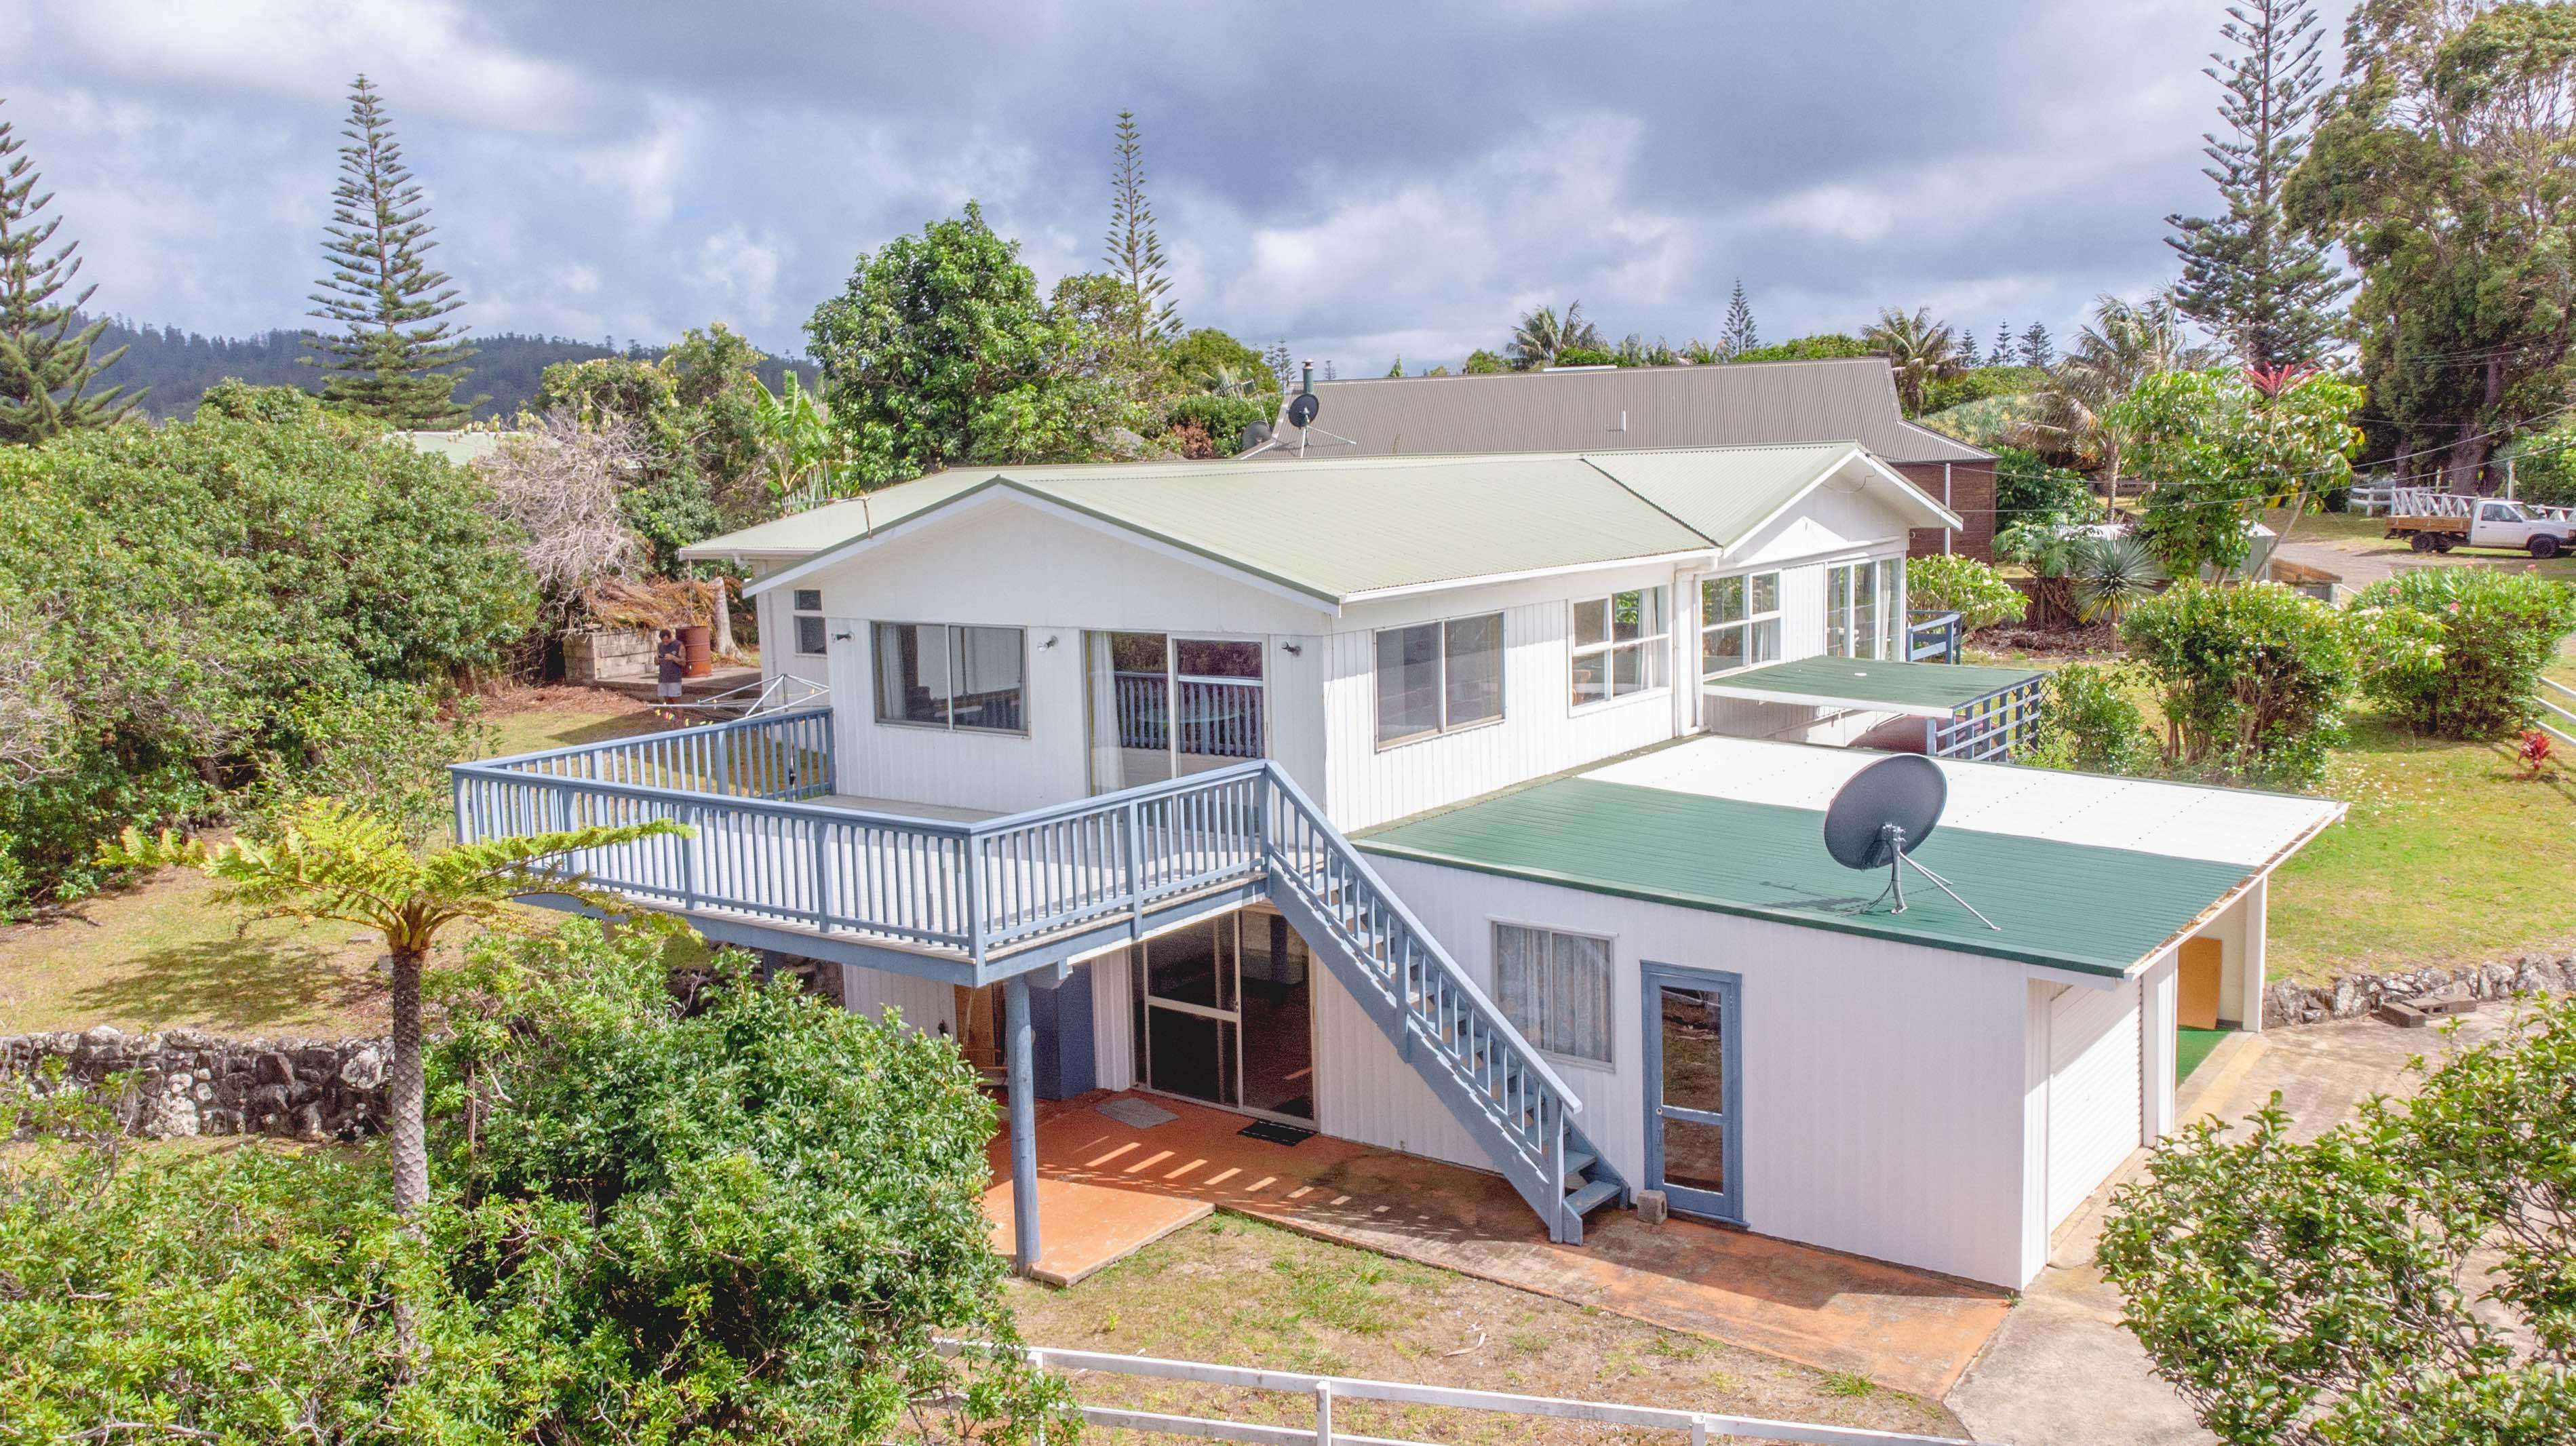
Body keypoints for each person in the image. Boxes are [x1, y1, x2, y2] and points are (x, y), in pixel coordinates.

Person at [655, 628, 685, 702]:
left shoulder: (679, 645)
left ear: (670, 636)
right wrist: (656, 659)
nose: (665, 643)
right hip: (663, 679)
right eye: (663, 641)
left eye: (667, 641)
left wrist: (673, 658)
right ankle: (671, 714)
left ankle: (679, 714)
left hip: (674, 679)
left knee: (676, 701)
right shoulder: (660, 646)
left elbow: (684, 663)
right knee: (667, 702)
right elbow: (657, 663)